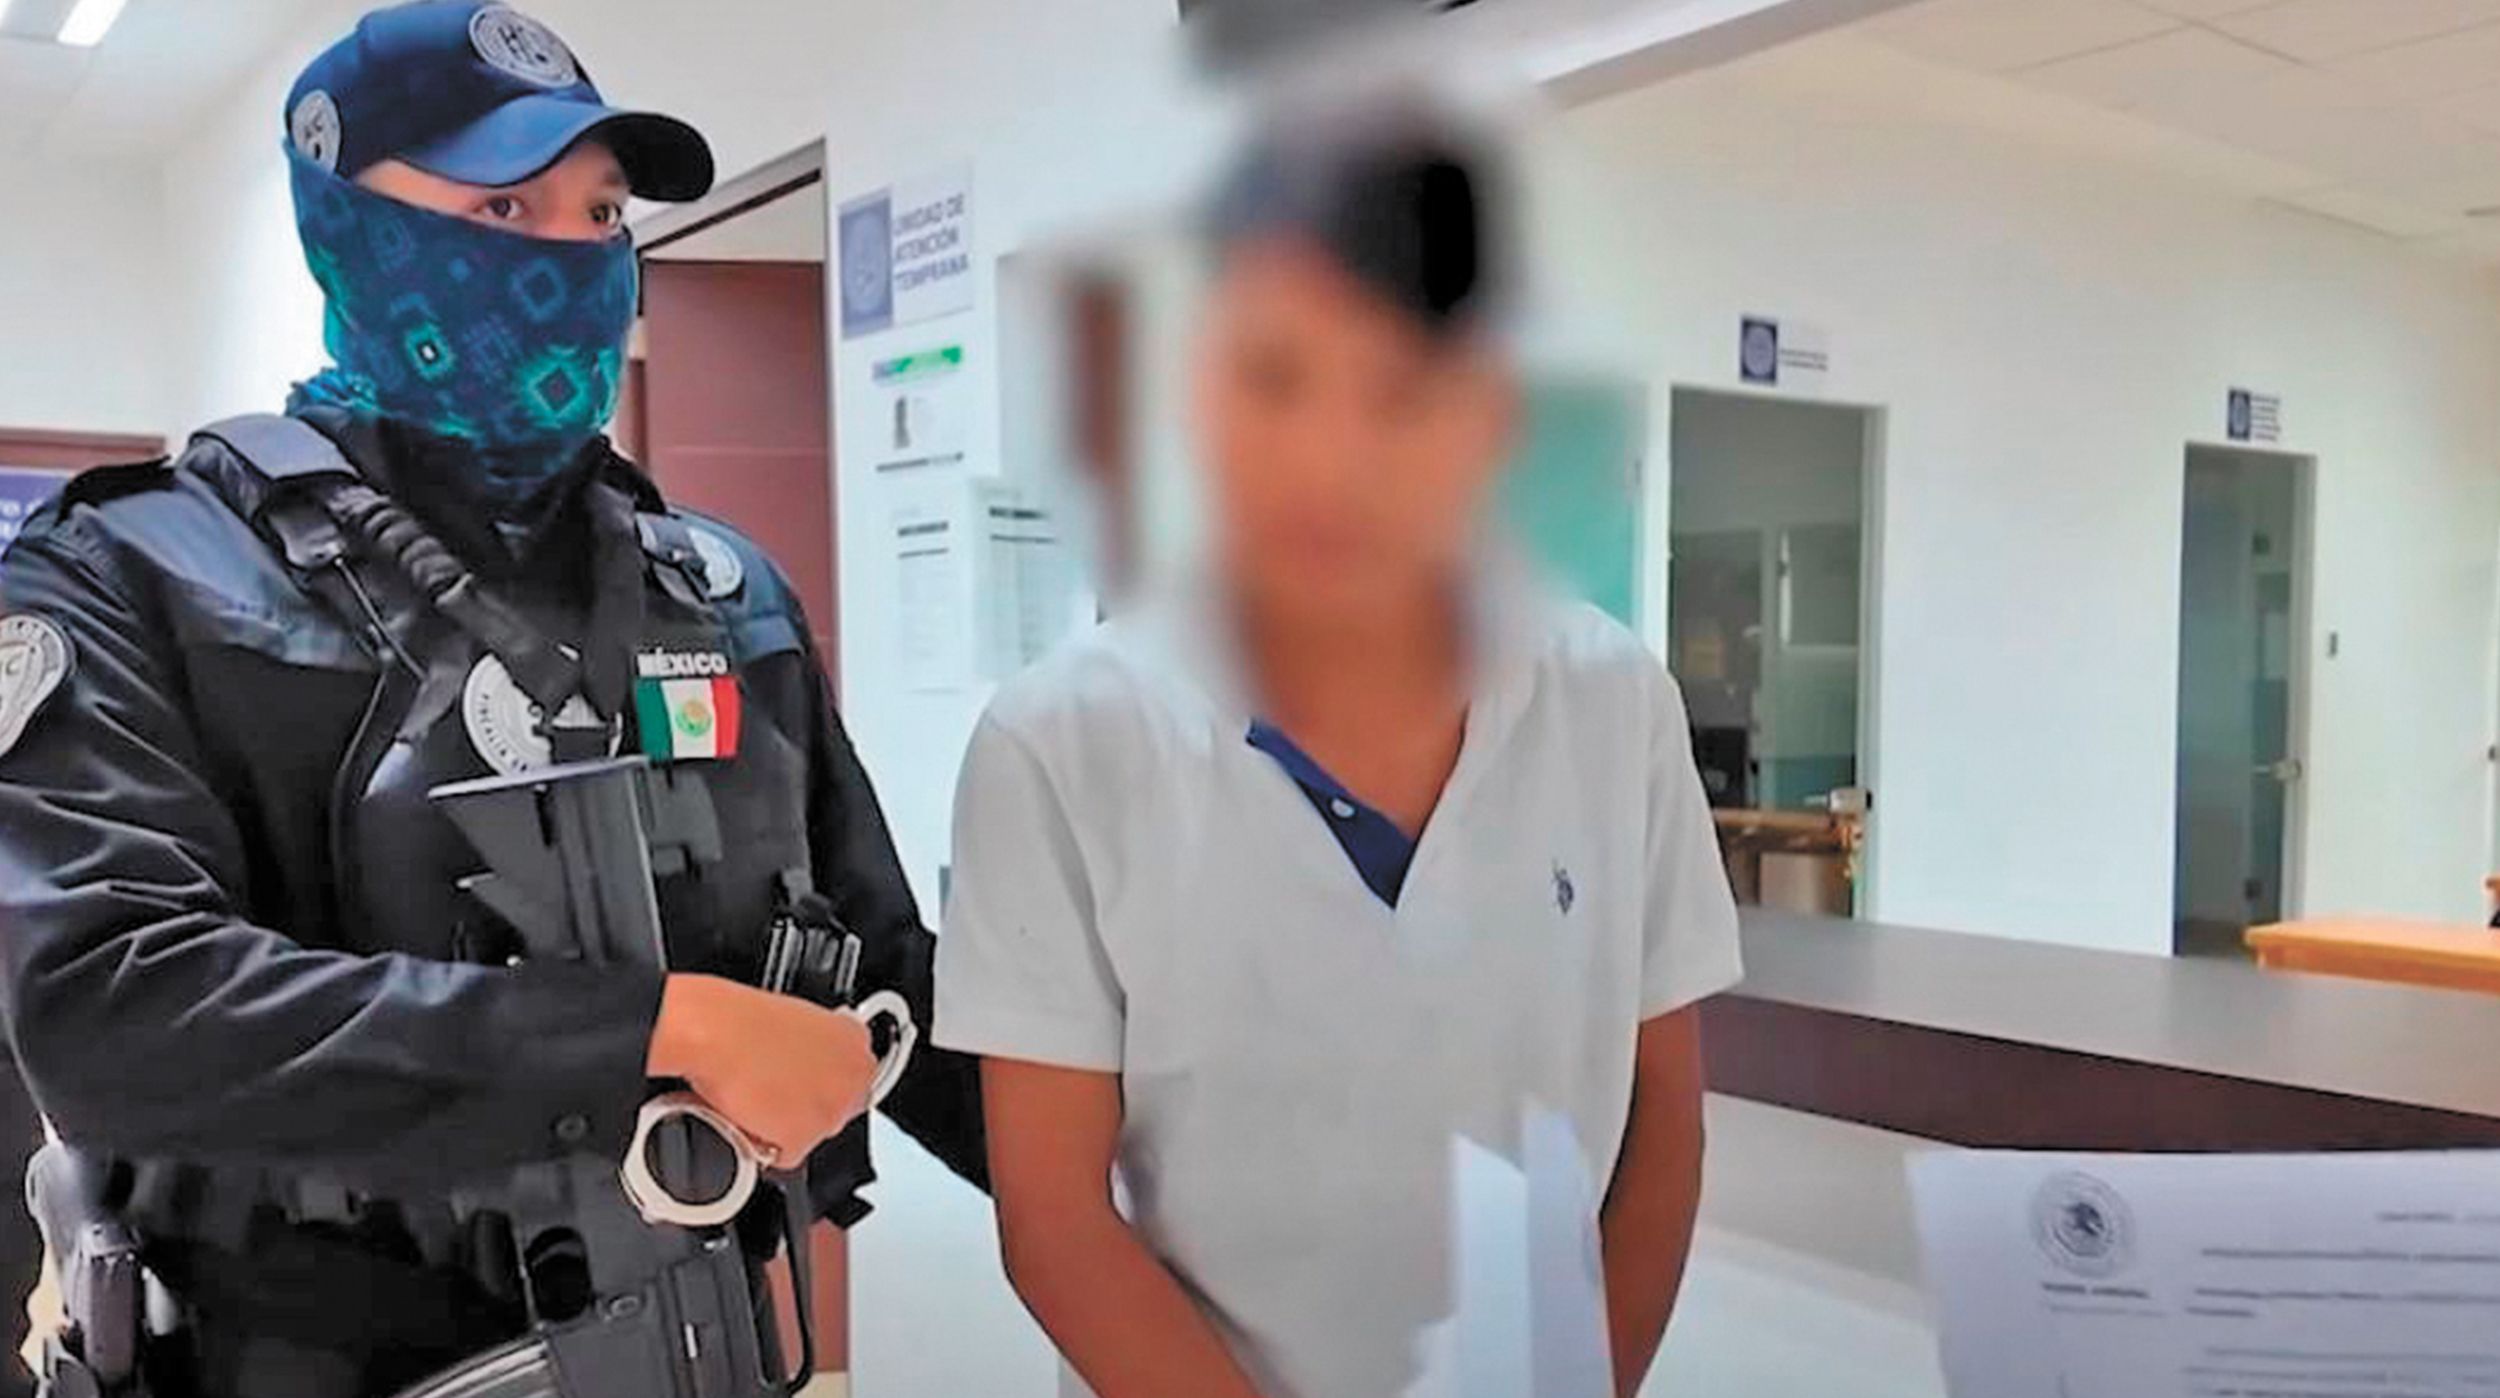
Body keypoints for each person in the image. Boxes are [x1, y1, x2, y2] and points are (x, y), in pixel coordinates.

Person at [0, 4, 983, 1395]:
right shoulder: (133, 573)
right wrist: (652, 1033)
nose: (568, 258)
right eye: (504, 206)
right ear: (344, 228)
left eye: (602, 213)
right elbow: (109, 1010)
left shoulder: (718, 593)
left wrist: (1150, 1183)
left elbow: (885, 971)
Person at [935, 100, 1743, 1398]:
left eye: (1401, 385)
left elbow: (1663, 1133)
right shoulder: (1062, 739)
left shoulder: (1612, 703)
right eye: (1277, 377)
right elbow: (1055, 1219)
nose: (1332, 453)